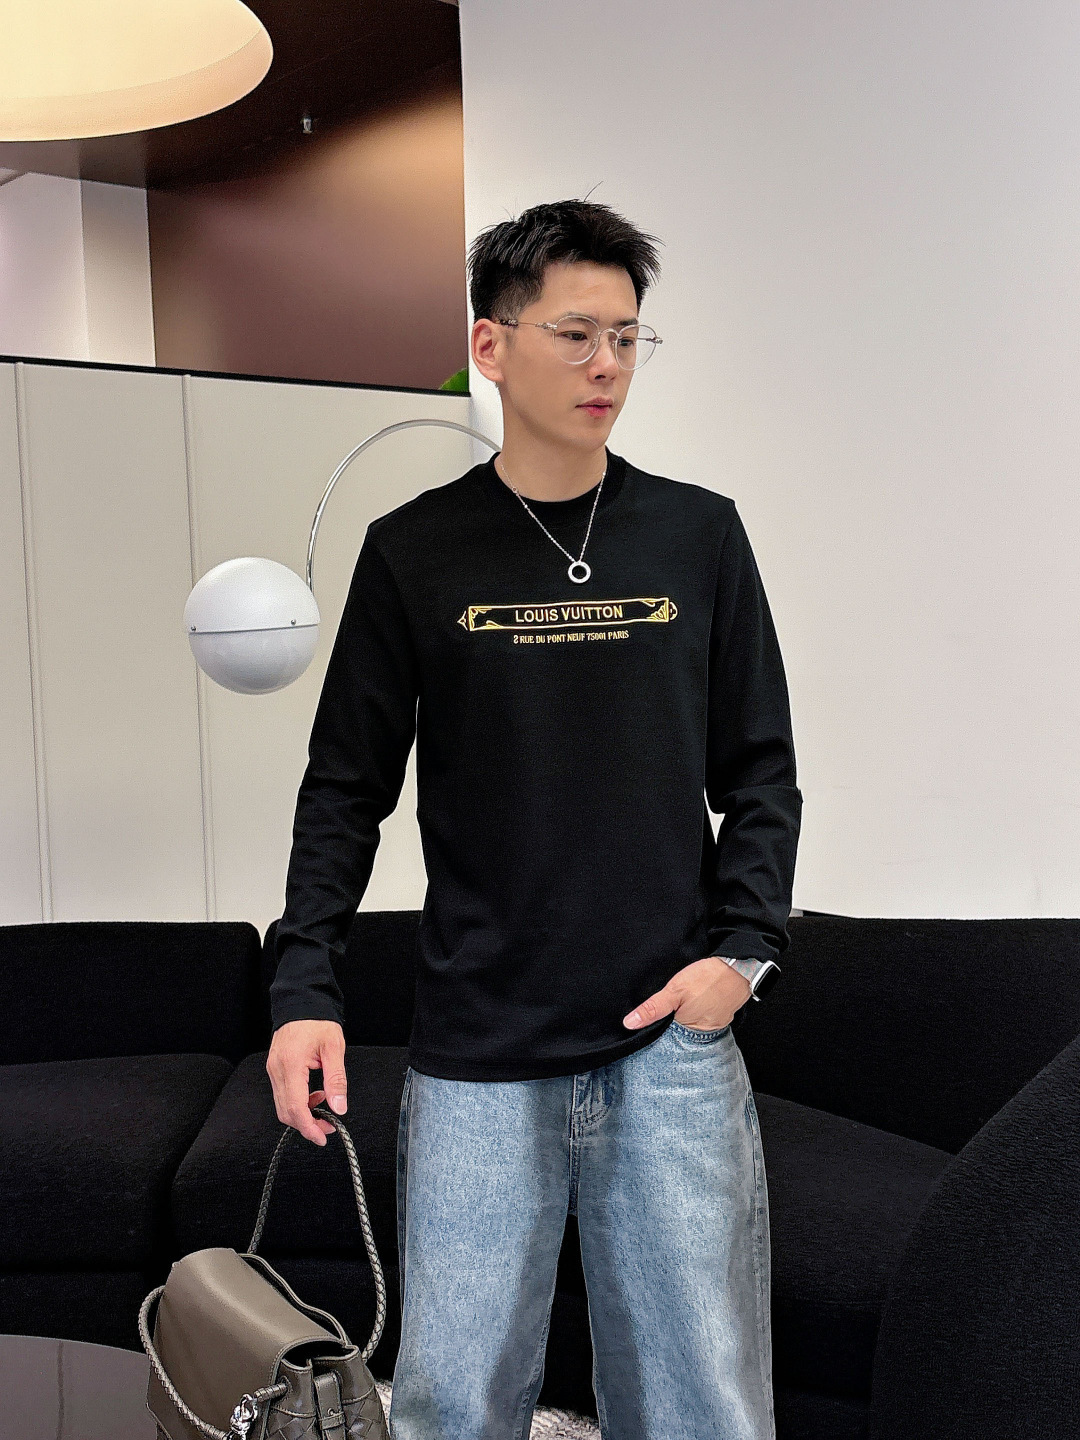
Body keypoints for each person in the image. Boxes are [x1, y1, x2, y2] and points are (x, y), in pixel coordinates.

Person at [265, 198, 802, 1440]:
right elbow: (344, 788)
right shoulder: (415, 552)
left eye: (626, 336)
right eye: (574, 334)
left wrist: (742, 954)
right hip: (476, 1051)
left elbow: (762, 769)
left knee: (702, 1406)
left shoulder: (699, 535)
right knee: (453, 1405)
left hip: (667, 1042)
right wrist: (304, 989)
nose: (607, 364)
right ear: (491, 346)